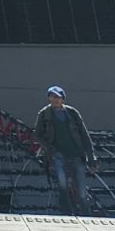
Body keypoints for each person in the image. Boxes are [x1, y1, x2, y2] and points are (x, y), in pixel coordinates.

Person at [34, 83, 93, 211]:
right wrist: (48, 147)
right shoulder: (44, 114)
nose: (55, 99)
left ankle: (86, 214)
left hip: (77, 154)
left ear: (63, 99)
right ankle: (66, 212)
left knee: (82, 190)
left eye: (58, 97)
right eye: (52, 96)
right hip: (58, 155)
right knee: (62, 184)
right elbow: (37, 134)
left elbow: (84, 135)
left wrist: (91, 158)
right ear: (49, 98)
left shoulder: (72, 113)